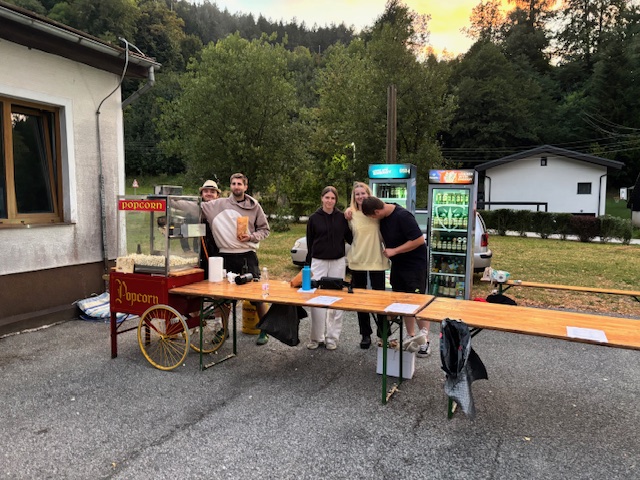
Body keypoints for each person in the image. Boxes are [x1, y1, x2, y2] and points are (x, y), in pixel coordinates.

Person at [201, 173, 271, 345]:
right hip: (225, 256)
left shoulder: (254, 206)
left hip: (247, 255)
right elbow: (192, 207)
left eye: (240, 184)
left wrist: (252, 236)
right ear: (230, 186)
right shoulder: (217, 205)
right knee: (222, 297)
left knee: (256, 295)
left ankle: (265, 329)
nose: (236, 186)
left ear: (245, 187)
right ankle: (223, 330)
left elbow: (265, 229)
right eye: (233, 183)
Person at [361, 196, 431, 357]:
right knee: (403, 302)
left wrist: (395, 251)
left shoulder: (403, 216)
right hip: (398, 266)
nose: (373, 219)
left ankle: (425, 340)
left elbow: (419, 240)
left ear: (377, 212)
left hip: (414, 267)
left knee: (417, 302)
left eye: (372, 216)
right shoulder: (383, 216)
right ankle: (411, 335)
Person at [305, 186, 353, 351]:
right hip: (318, 262)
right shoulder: (313, 219)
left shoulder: (341, 218)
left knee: (335, 299)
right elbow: (310, 242)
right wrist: (308, 264)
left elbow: (350, 238)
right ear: (322, 198)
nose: (330, 201)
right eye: (327, 197)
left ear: (336, 200)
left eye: (333, 198)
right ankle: (316, 337)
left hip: (337, 262)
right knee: (316, 299)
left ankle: (332, 338)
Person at [344, 182, 390, 349]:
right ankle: (365, 335)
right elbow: (348, 236)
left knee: (380, 300)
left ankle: (383, 334)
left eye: (363, 193)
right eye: (357, 194)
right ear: (353, 197)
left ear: (369, 194)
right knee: (360, 301)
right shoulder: (350, 214)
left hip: (377, 260)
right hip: (357, 261)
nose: (360, 196)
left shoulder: (377, 212)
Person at [198, 179, 222, 274]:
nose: (209, 194)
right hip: (199, 252)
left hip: (219, 251)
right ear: (201, 194)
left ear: (217, 195)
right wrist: (186, 249)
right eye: (206, 191)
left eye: (212, 192)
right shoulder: (194, 210)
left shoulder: (222, 210)